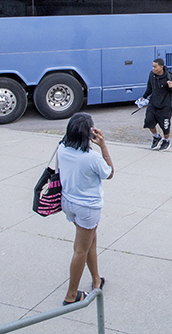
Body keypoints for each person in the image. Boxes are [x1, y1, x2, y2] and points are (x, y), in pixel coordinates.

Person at [58, 113, 114, 305]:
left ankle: (96, 280)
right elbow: (110, 173)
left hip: (68, 203)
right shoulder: (92, 157)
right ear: (88, 133)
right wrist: (103, 145)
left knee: (90, 240)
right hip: (87, 208)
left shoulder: (62, 149)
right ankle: (71, 295)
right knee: (80, 250)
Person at [141, 58, 172, 151]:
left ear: (161, 67)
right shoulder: (151, 75)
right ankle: (156, 137)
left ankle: (166, 140)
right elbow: (149, 87)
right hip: (153, 103)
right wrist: (144, 97)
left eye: (155, 67)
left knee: (165, 126)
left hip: (165, 105)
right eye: (153, 66)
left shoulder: (169, 77)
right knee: (148, 121)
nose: (153, 68)